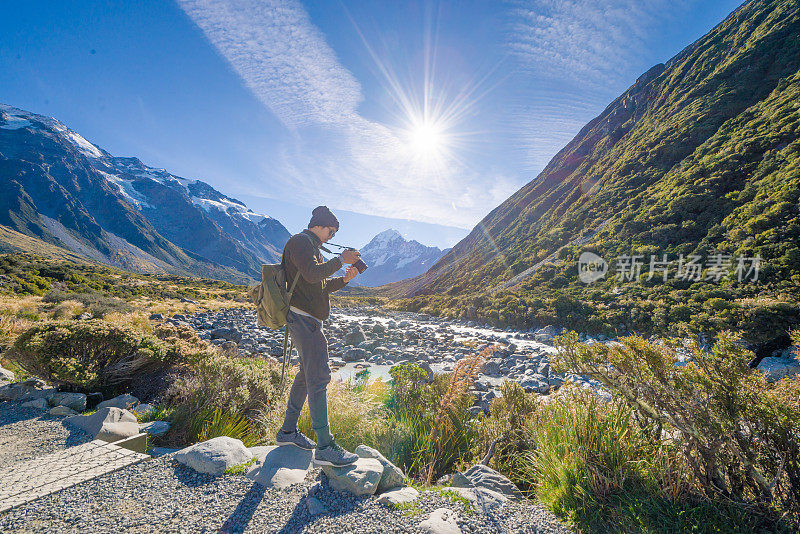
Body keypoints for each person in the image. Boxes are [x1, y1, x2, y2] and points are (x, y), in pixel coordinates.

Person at [274, 205, 362, 466]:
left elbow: (319, 286)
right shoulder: (300, 242)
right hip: (303, 320)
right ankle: (325, 447)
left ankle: (287, 432)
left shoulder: (311, 247)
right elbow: (313, 275)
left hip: (308, 320)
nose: (331, 237)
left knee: (306, 375)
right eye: (331, 232)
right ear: (320, 226)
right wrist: (340, 260)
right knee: (319, 377)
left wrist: (344, 279)